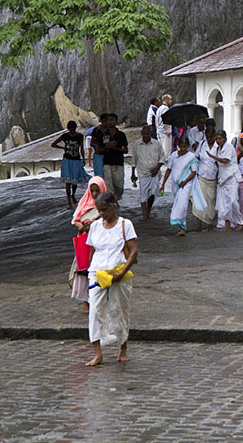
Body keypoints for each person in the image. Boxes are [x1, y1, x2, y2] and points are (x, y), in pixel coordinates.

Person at [85, 191, 137, 366]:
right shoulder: (95, 227)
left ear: (114, 207)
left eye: (104, 210)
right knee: (95, 312)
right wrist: (86, 269)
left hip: (119, 272)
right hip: (97, 274)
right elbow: (92, 250)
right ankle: (98, 354)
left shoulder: (125, 224)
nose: (102, 214)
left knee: (120, 309)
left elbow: (134, 251)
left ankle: (123, 346)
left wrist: (121, 274)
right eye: (99, 210)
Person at [70, 176, 106, 313]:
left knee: (98, 270)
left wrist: (96, 223)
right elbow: (75, 219)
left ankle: (98, 300)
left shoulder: (105, 205)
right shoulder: (85, 202)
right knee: (84, 269)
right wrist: (81, 225)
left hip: (99, 243)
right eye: (93, 191)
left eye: (97, 191)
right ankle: (86, 301)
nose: (95, 194)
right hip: (84, 241)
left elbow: (108, 220)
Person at [161, 137, 200, 236]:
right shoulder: (174, 155)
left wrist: (185, 181)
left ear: (188, 146)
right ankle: (180, 227)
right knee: (177, 204)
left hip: (186, 185)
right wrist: (163, 184)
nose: (183, 149)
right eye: (181, 146)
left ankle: (182, 227)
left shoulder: (191, 157)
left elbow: (194, 172)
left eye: (185, 147)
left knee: (182, 206)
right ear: (178, 146)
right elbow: (169, 170)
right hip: (176, 185)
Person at [207, 129, 243, 231]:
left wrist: (212, 156)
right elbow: (219, 165)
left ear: (225, 139)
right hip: (222, 179)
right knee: (224, 203)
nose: (218, 140)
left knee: (232, 201)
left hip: (232, 177)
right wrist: (216, 176)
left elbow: (225, 161)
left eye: (220, 138)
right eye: (216, 139)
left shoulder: (229, 147)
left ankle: (239, 222)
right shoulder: (218, 149)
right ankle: (227, 225)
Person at [129, 125, 164, 221]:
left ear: (150, 134)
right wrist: (132, 173)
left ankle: (148, 211)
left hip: (155, 173)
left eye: (147, 133)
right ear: (141, 134)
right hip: (143, 173)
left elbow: (162, 158)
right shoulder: (137, 144)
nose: (146, 135)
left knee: (153, 193)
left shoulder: (156, 144)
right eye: (144, 133)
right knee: (143, 194)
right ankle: (145, 215)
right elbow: (134, 160)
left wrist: (156, 169)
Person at [52, 120, 89, 208]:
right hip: (67, 160)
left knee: (74, 181)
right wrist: (63, 148)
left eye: (73, 128)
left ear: (75, 128)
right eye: (70, 129)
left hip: (76, 160)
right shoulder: (64, 136)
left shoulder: (80, 136)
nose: (72, 130)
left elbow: (82, 149)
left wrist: (83, 158)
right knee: (68, 181)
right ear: (68, 129)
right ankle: (69, 200)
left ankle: (73, 195)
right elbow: (53, 144)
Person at [191, 126, 218, 231]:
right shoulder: (202, 144)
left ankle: (210, 224)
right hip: (202, 176)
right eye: (208, 137)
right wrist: (195, 171)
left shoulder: (218, 146)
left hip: (213, 178)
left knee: (211, 201)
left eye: (211, 137)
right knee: (200, 201)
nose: (209, 139)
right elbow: (196, 157)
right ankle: (199, 225)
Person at [96, 113, 128, 197]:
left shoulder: (121, 135)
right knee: (109, 186)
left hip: (118, 162)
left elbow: (126, 150)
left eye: (112, 120)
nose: (109, 122)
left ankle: (116, 198)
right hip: (107, 162)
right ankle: (112, 203)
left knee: (119, 186)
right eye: (108, 120)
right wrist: (107, 147)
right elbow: (98, 151)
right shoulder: (102, 135)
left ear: (116, 121)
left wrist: (115, 148)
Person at [89, 113, 110, 178]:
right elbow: (91, 142)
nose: (104, 123)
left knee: (108, 176)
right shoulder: (96, 130)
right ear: (100, 121)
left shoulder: (111, 130)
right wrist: (96, 145)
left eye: (106, 121)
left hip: (109, 154)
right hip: (98, 155)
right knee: (99, 176)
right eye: (103, 121)